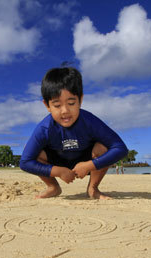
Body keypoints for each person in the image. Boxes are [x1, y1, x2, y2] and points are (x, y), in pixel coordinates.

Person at [20, 67, 129, 199]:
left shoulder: (89, 121)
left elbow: (121, 148)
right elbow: (25, 162)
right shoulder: (45, 128)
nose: (65, 110)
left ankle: (93, 188)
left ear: (80, 100)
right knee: (31, 151)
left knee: (103, 147)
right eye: (57, 105)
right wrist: (57, 171)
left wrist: (89, 165)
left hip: (86, 162)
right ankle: (53, 187)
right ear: (47, 105)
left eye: (71, 103)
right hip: (57, 162)